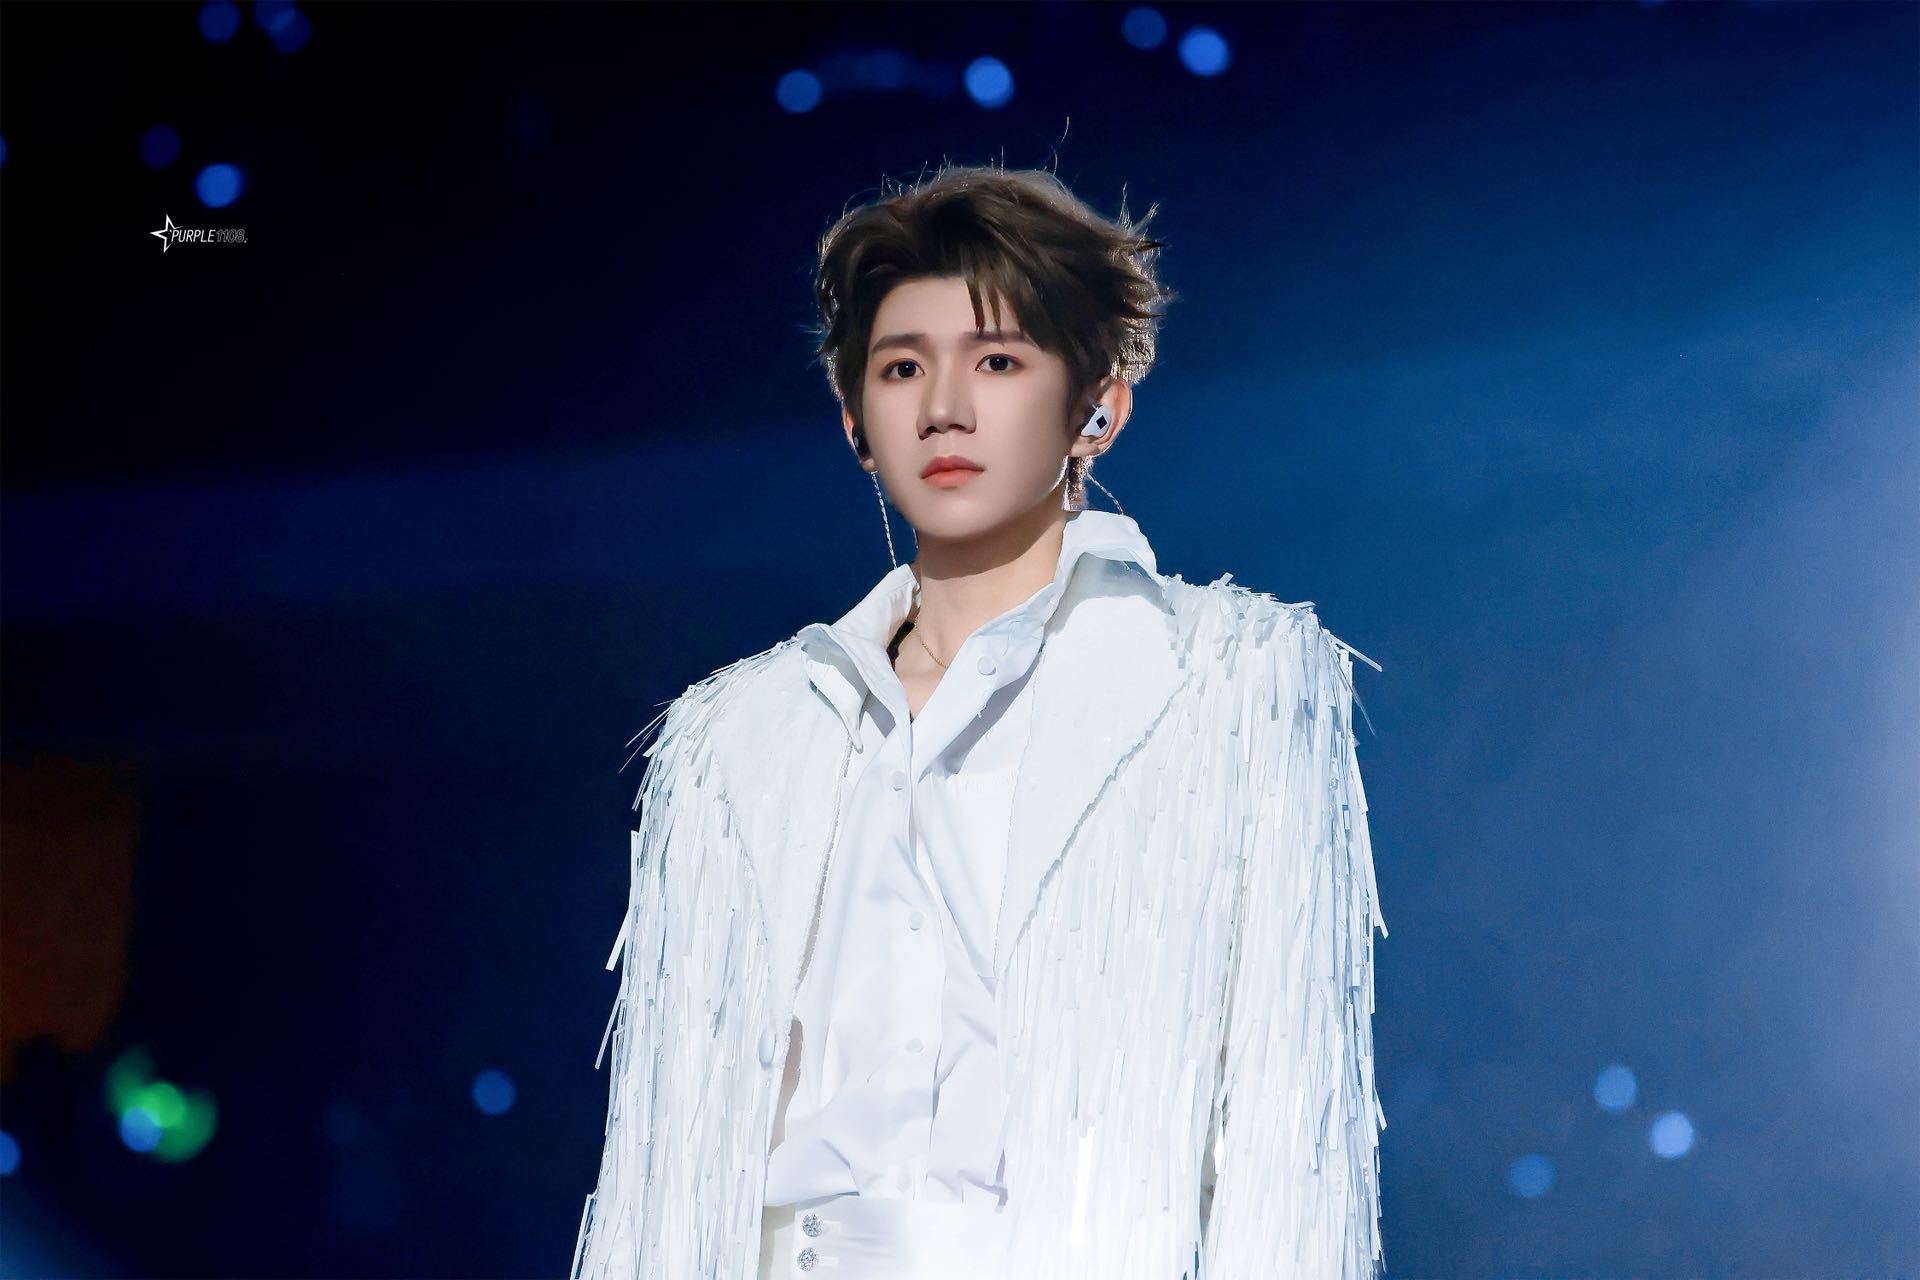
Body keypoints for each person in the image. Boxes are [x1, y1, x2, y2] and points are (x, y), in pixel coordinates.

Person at [570, 163, 1387, 1280]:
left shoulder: (1230, 682)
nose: (944, 406)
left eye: (997, 361)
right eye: (902, 367)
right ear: (856, 422)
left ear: (1096, 410)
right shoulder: (736, 738)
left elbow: (1291, 1133)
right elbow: (662, 1161)